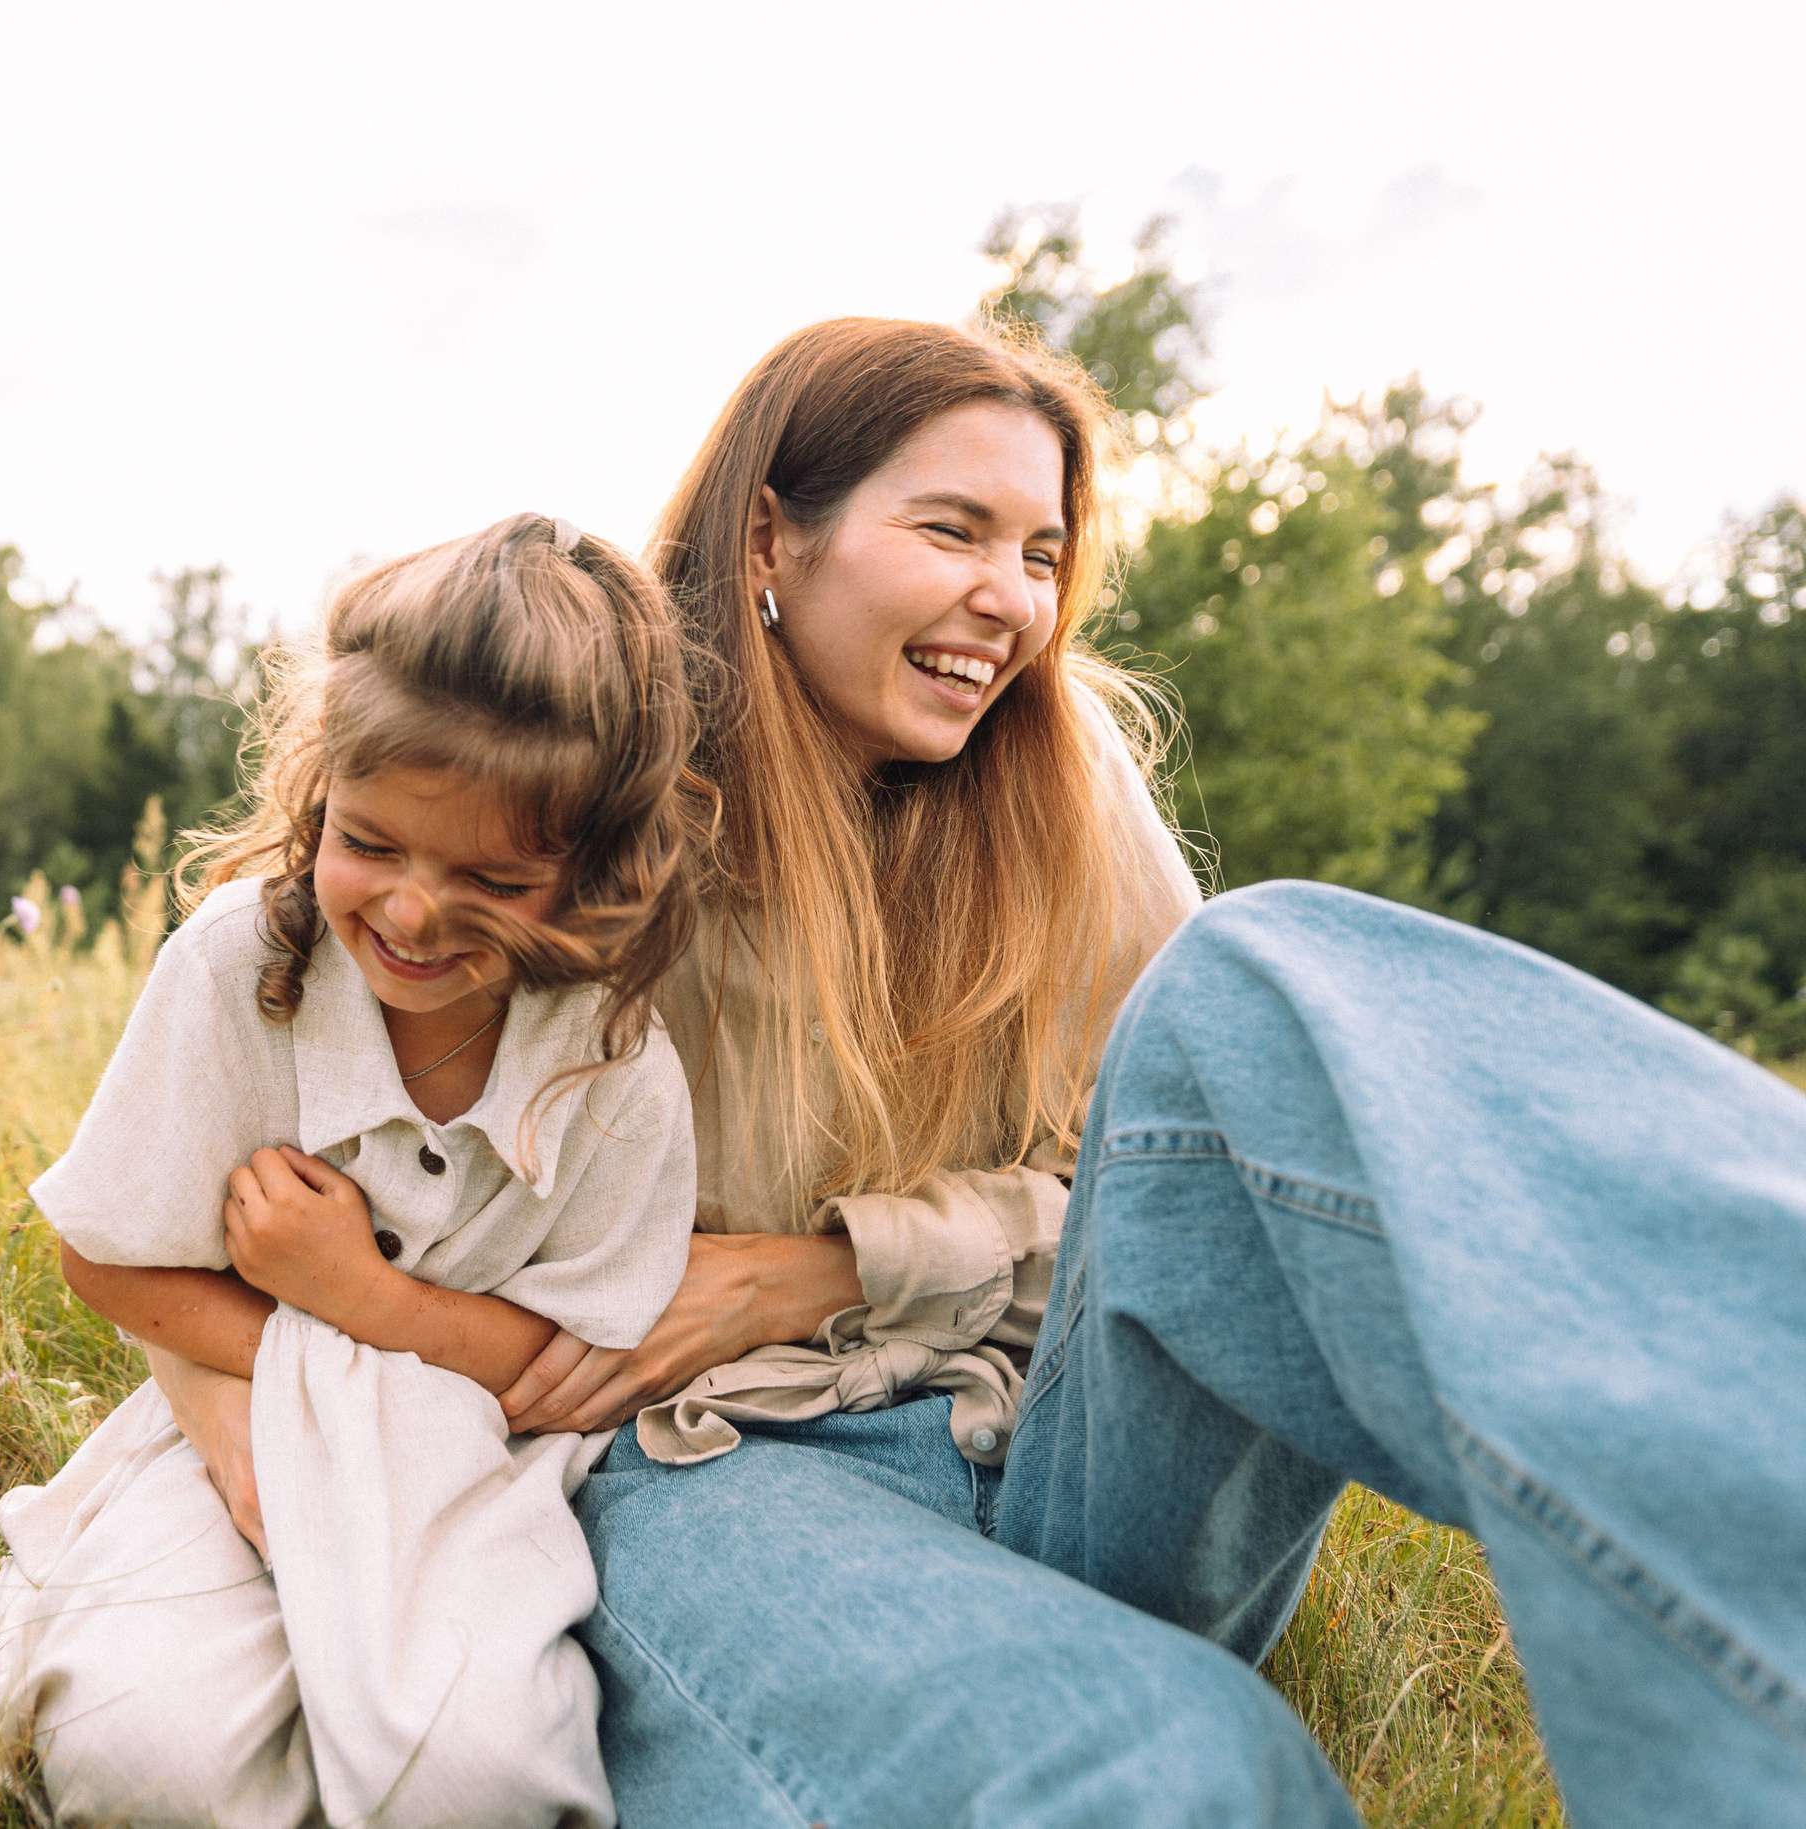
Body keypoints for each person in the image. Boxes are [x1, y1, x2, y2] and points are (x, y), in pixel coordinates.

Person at [487, 318, 1806, 1828]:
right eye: (954, 529)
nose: (1014, 601)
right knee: (1174, 1766)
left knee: (1253, 975)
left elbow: (1158, 1190)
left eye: (1042, 552)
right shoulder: (586, 785)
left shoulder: (1058, 769)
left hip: (1057, 1435)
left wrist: (833, 1262)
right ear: (772, 534)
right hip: (721, 1462)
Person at [0, 513, 705, 1829]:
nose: (415, 913)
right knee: (147, 1758)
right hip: (225, 1407)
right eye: (371, 842)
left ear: (593, 870)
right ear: (321, 794)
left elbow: (562, 1374)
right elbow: (108, 1255)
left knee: (469, 1780)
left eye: (493, 875)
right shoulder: (236, 966)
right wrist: (269, 1432)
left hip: (470, 1463)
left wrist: (350, 1294)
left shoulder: (613, 1061)